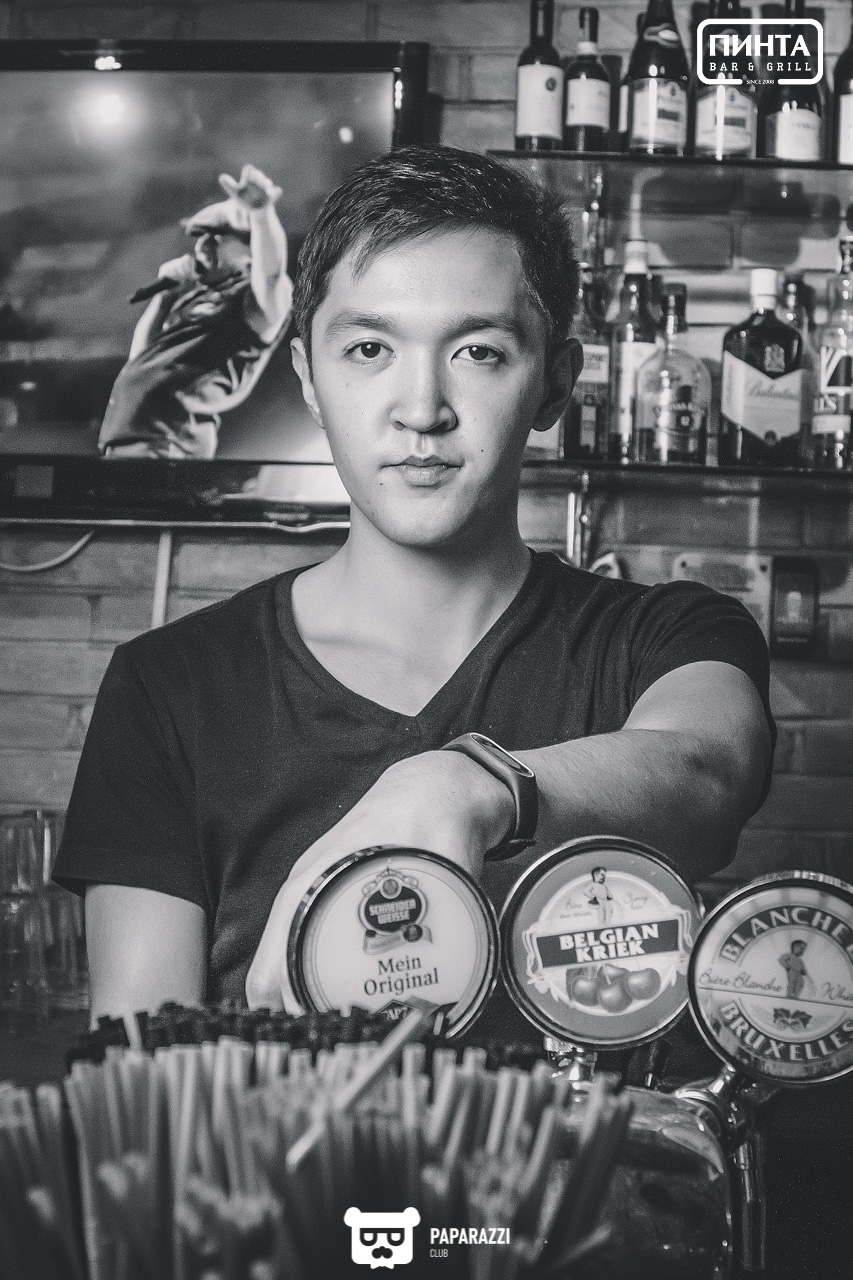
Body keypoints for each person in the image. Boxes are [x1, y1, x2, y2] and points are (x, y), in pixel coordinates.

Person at [53, 146, 774, 1020]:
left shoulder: (663, 639)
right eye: (368, 348)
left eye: (477, 351)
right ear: (307, 378)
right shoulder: (168, 688)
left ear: (555, 383)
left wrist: (460, 787)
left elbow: (706, 771)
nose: (421, 408)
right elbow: (141, 1070)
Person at [98, 164, 292, 459]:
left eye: (216, 236)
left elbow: (272, 276)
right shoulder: (194, 297)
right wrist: (164, 298)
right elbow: (141, 359)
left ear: (250, 247)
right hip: (129, 442)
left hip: (168, 446)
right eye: (200, 237)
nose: (202, 245)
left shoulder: (251, 301)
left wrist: (261, 214)